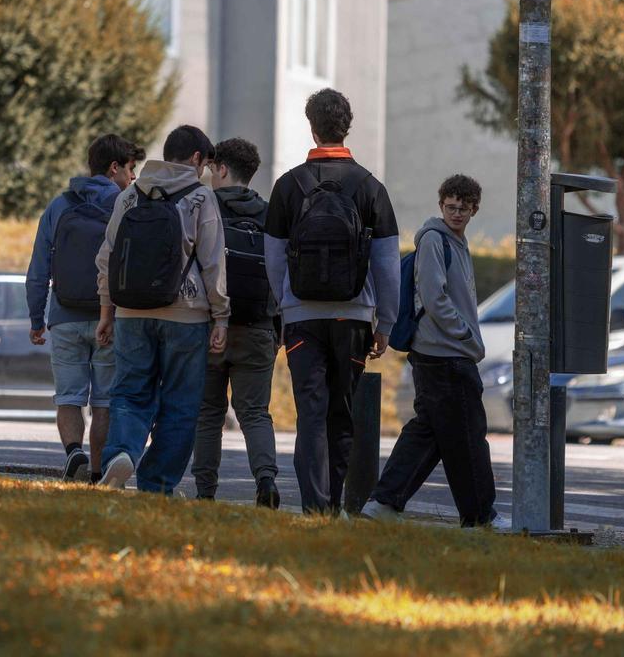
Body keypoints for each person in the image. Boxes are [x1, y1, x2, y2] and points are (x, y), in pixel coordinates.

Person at [264, 88, 401, 514]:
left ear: (312, 128)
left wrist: (285, 308)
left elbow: (273, 260)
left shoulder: (288, 186)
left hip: (302, 318)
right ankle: (335, 504)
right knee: (342, 414)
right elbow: (387, 263)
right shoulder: (371, 187)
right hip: (354, 317)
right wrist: (385, 323)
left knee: (311, 413)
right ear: (348, 127)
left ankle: (314, 506)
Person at [360, 175, 510, 528]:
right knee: (469, 435)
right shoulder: (433, 239)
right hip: (445, 352)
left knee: (429, 432)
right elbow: (433, 297)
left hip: (441, 352)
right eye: (450, 207)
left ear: (474, 210)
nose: (456, 213)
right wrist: (465, 335)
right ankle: (480, 517)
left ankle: (383, 503)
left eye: (463, 208)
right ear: (441, 205)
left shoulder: (456, 242)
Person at [96, 125, 230, 493]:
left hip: (131, 313)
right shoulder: (201, 197)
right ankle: (157, 484)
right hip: (186, 314)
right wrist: (221, 316)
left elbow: (107, 258)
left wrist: (107, 311)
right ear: (197, 158)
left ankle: (121, 453)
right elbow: (213, 263)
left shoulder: (130, 195)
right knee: (180, 403)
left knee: (129, 392)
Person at [26, 133, 144, 483]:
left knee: (68, 397)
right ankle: (95, 473)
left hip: (64, 317)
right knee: (104, 402)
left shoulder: (59, 205)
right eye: (130, 168)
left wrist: (37, 319)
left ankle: (73, 453)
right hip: (110, 318)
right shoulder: (127, 205)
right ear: (113, 168)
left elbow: (38, 269)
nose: (133, 177)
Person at [191, 137, 281, 508]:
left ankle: (205, 492)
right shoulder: (271, 214)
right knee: (255, 413)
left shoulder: (204, 207)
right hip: (258, 327)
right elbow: (282, 274)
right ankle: (266, 480)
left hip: (210, 325)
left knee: (208, 413)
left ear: (223, 169)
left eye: (213, 169)